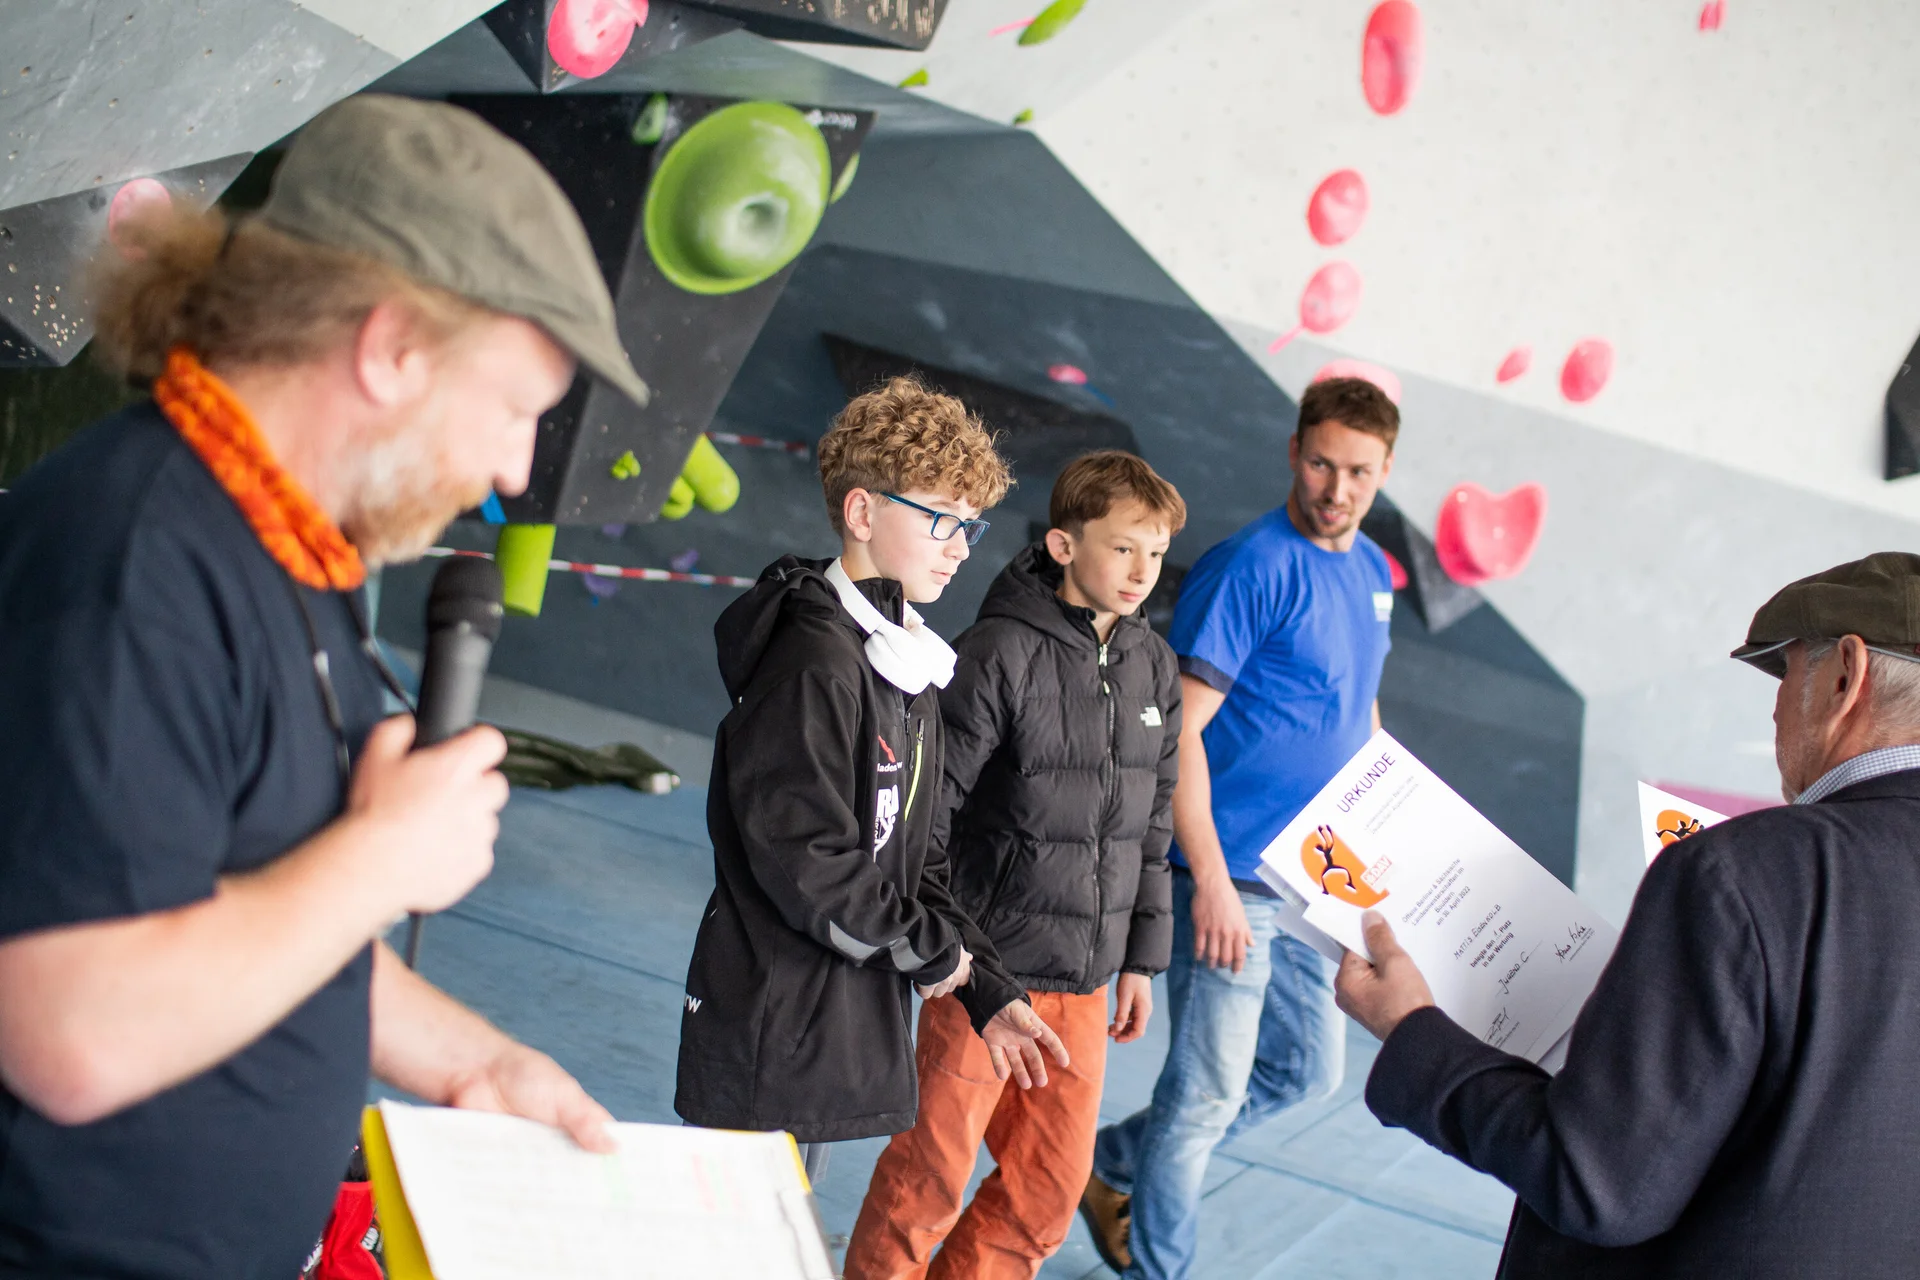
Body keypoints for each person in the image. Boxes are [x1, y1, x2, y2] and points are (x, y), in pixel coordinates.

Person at [0, 96, 637, 1277]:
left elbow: (273, 913)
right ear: (391, 346)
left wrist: (473, 1061)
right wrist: (383, 858)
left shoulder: (291, 552)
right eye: (513, 411)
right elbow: (70, 1031)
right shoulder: (132, 562)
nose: (510, 471)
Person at [1338, 551, 1920, 1279]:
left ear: (1847, 675)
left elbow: (1602, 1186)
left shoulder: (1739, 872)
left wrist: (1413, 1030)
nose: (1775, 707)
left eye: (1790, 671)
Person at [674, 376, 1070, 1185]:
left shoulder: (906, 664)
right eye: (941, 520)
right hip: (770, 1023)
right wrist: (932, 957)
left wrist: (986, 986)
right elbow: (808, 861)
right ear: (862, 514)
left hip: (836, 1026)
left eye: (971, 524)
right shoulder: (813, 664)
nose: (963, 547)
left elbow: (916, 863)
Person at [1083, 378, 1399, 1279]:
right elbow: (1179, 731)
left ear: (1384, 474)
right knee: (1208, 1093)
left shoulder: (1373, 575)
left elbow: (1357, 712)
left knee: (1306, 1073)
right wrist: (1211, 879)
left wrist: (1392, 832)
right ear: (1294, 454)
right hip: (1234, 878)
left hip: (1319, 878)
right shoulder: (1251, 566)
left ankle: (1110, 1159)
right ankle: (1160, 1268)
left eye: (1359, 473)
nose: (1337, 488)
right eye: (1322, 463)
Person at [845, 451, 1187, 1279]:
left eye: (1157, 551)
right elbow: (927, 815)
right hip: (982, 973)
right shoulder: (998, 653)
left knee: (1045, 1198)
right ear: (1065, 546)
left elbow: (1152, 824)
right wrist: (949, 955)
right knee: (930, 1178)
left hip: (1085, 983)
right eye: (1122, 548)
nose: (1142, 571)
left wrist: (1141, 959)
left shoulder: (1155, 666)